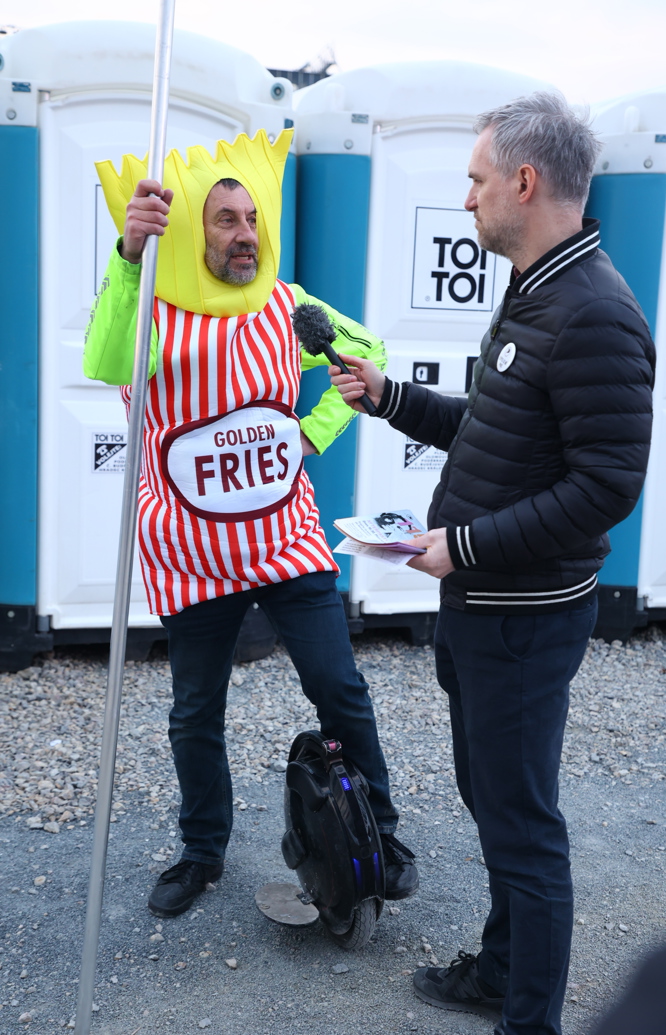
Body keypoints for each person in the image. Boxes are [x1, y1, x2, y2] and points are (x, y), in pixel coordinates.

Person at [328, 93, 655, 1035]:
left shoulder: (594, 310)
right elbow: (494, 429)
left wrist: (461, 545)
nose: (465, 199)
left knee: (523, 827)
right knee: (493, 798)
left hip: (522, 616)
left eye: (475, 180)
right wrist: (391, 398)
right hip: (482, 605)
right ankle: (501, 971)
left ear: (524, 180)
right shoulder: (540, 287)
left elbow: (605, 488)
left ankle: (528, 1020)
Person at [83, 131, 417, 918]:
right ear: (196, 230)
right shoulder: (153, 313)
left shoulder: (286, 304)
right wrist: (131, 255)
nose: (244, 233)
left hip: (286, 542)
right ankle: (202, 851)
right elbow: (103, 359)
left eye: (251, 217)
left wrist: (313, 431)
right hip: (191, 555)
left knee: (340, 685)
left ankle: (384, 834)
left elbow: (366, 351)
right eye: (225, 219)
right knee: (196, 710)